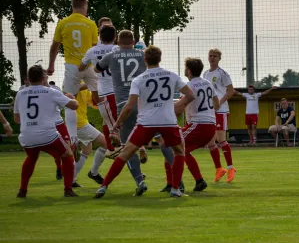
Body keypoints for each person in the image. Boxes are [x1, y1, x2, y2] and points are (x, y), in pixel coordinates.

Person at [94, 46, 195, 198]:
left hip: (146, 122)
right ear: (160, 59)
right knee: (179, 152)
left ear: (145, 60)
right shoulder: (172, 75)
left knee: (125, 153)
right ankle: (175, 189)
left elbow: (129, 105)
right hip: (167, 121)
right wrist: (176, 107)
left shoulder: (139, 79)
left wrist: (117, 124)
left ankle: (103, 186)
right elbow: (190, 95)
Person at [95, 29, 153, 192]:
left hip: (123, 104)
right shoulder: (142, 54)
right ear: (133, 41)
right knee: (163, 141)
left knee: (127, 145)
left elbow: (97, 69)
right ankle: (176, 184)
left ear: (118, 42)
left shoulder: (112, 55)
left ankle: (139, 182)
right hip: (144, 104)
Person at [13, 65, 79, 198]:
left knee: (31, 158)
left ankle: (22, 190)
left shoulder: (20, 93)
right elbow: (74, 106)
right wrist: (72, 97)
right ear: (44, 78)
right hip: (47, 134)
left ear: (28, 79)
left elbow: (17, 119)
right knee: (67, 154)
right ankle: (68, 190)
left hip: (27, 135)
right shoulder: (51, 91)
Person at [47, 0, 98, 156]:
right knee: (100, 96)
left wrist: (51, 65)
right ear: (85, 6)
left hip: (72, 67)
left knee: (70, 100)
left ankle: (73, 139)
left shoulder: (63, 23)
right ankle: (113, 129)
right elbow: (94, 50)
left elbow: (54, 47)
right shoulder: (91, 24)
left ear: (72, 6)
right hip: (88, 66)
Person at [174, 58, 221, 191]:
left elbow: (181, 105)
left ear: (188, 70)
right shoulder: (208, 83)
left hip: (198, 125)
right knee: (183, 150)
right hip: (210, 125)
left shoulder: (188, 86)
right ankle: (198, 180)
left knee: (175, 146)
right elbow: (216, 104)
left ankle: (175, 183)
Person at [80, 21, 119, 153]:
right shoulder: (118, 49)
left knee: (113, 125)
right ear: (115, 37)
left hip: (105, 92)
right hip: (121, 91)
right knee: (117, 125)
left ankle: (113, 148)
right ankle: (113, 148)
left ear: (100, 37)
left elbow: (81, 68)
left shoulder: (92, 51)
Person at [203, 49, 236, 183]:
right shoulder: (205, 73)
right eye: (210, 56)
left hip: (220, 110)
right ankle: (219, 169)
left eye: (215, 56)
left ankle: (230, 168)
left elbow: (231, 91)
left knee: (221, 139)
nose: (212, 58)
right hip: (209, 110)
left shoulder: (223, 73)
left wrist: (219, 103)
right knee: (210, 141)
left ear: (219, 58)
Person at [72, 87, 108, 187]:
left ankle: (71, 179)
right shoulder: (74, 81)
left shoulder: (85, 87)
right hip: (80, 123)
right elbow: (75, 89)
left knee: (87, 149)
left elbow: (94, 103)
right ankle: (94, 173)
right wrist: (93, 82)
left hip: (81, 122)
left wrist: (106, 100)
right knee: (105, 143)